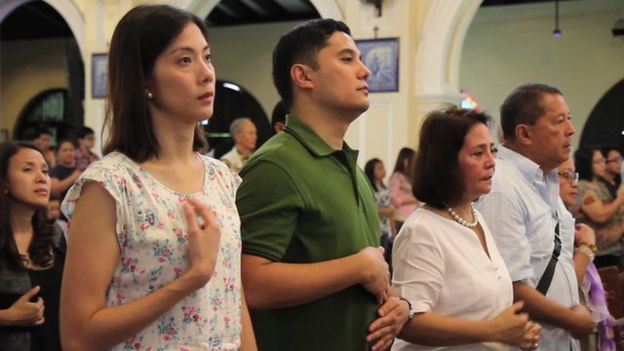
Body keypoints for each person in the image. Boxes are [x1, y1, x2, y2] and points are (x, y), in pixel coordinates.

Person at [59, 5, 256, 350]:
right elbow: (78, 334)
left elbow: (231, 296)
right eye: (184, 60)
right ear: (144, 78)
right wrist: (191, 277)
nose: (206, 73)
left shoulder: (222, 178)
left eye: (206, 57)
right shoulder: (112, 186)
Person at [236, 18, 409, 351]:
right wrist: (357, 267)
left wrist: (396, 306)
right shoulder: (276, 164)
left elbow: (368, 272)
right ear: (303, 76)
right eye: (347, 59)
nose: (365, 71)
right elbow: (249, 283)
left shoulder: (350, 166)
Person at [391, 107, 541, 351]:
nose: (491, 162)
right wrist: (495, 331)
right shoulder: (422, 230)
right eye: (478, 153)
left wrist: (515, 332)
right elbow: (410, 321)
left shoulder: (476, 217)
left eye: (492, 150)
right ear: (446, 163)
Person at [475, 83, 595, 350]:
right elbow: (509, 285)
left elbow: (556, 266)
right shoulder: (503, 187)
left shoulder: (547, 183)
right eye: (559, 121)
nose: (571, 129)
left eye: (570, 118)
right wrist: (570, 320)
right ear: (525, 133)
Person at [0, 141, 65, 351]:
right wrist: (6, 317)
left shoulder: (55, 235)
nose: (41, 178)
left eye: (45, 171)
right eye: (28, 169)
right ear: (4, 182)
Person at [558, 157, 616, 351]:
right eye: (565, 175)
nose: (573, 181)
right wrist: (587, 245)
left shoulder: (565, 216)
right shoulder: (549, 222)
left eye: (574, 175)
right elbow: (567, 282)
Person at [573, 147, 624, 268]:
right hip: (600, 252)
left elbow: (613, 209)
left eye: (603, 160)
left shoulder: (600, 184)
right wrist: (620, 198)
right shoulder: (583, 187)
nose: (603, 165)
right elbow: (600, 215)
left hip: (614, 248)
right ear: (587, 164)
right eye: (597, 162)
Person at [365, 158, 395, 264]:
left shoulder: (386, 189)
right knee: (374, 257)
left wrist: (394, 230)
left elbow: (391, 210)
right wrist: (384, 211)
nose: (383, 170)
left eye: (383, 167)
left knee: (384, 257)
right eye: (379, 168)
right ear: (371, 170)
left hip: (385, 229)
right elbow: (369, 208)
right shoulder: (368, 188)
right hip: (374, 228)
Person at [389, 147, 419, 230]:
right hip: (401, 218)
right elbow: (394, 199)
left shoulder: (409, 178)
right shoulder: (397, 177)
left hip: (412, 217)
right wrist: (412, 199)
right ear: (405, 162)